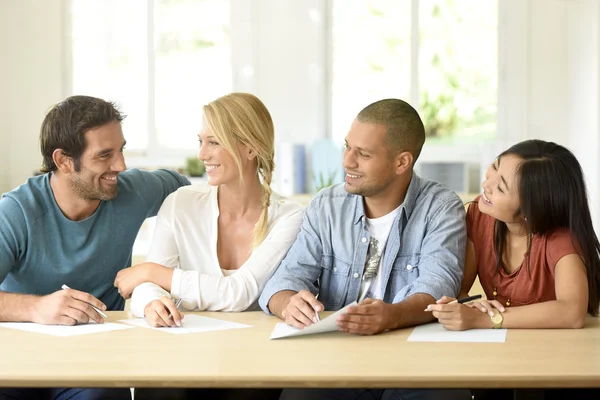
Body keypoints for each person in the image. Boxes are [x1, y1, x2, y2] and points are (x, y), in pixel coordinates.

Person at [258, 98, 471, 400]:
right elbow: (283, 282)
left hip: (413, 361)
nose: (347, 161)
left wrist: (392, 315)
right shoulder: (326, 206)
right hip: (337, 362)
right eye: (347, 146)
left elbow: (438, 286)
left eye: (363, 154)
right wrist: (287, 303)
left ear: (402, 162)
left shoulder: (440, 207)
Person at [115, 92, 303, 400]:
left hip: (254, 359)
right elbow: (147, 289)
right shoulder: (181, 203)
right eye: (200, 141)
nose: (202, 154)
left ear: (251, 148)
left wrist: (151, 272)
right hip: (184, 352)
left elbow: (239, 294)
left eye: (213, 142)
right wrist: (150, 302)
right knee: (157, 392)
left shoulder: (289, 217)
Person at [0, 95, 189, 400]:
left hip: (94, 367)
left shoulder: (133, 191)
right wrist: (37, 307)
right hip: (17, 364)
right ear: (63, 160)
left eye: (121, 150)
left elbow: (193, 193)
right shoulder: (16, 212)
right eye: (104, 155)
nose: (121, 165)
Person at [426, 139, 600, 400]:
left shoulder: (561, 240)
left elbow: (572, 311)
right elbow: (462, 288)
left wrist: (484, 319)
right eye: (494, 167)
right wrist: (459, 306)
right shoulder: (480, 215)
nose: (486, 184)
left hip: (559, 365)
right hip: (500, 356)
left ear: (530, 210)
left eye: (501, 187)